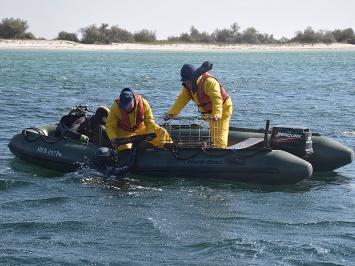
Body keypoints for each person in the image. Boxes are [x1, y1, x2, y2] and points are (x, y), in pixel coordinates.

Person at [164, 61, 232, 148]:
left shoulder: (209, 82)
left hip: (222, 109)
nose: (187, 84)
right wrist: (171, 114)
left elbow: (217, 98)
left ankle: (220, 154)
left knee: (219, 136)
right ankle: (215, 150)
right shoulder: (188, 87)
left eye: (188, 81)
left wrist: (217, 114)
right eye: (185, 82)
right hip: (209, 113)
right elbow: (181, 100)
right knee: (214, 135)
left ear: (194, 78)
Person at [106, 88, 172, 151]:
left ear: (133, 100)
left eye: (128, 105)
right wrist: (113, 138)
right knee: (126, 149)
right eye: (124, 106)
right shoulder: (115, 107)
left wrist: (150, 133)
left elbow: (149, 121)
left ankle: (170, 152)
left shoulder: (144, 103)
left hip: (141, 129)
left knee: (162, 132)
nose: (126, 108)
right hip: (124, 132)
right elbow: (110, 126)